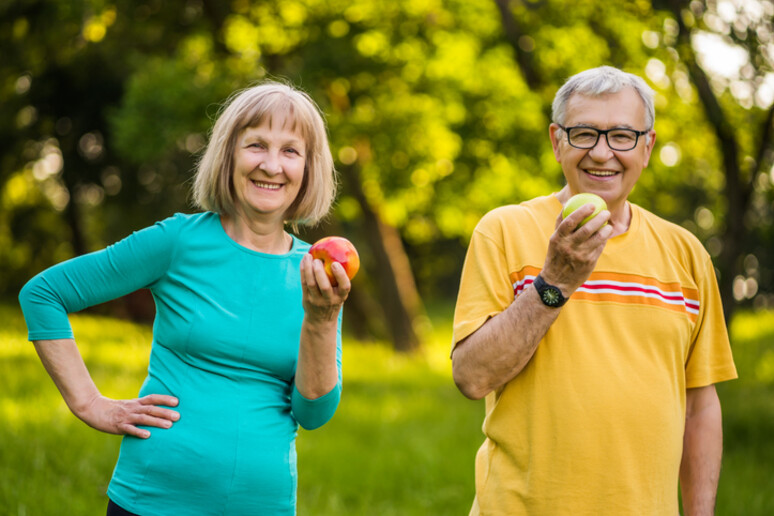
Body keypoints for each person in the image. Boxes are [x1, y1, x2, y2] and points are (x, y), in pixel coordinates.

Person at [19, 81, 349, 515]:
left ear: (309, 168)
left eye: (291, 151)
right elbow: (44, 294)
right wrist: (89, 403)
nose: (271, 165)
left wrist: (322, 320)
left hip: (262, 505)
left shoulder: (317, 275)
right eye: (256, 145)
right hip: (152, 500)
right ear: (229, 154)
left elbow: (313, 413)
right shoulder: (178, 242)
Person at [451, 66, 737, 515]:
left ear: (647, 147)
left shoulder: (687, 254)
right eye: (584, 133)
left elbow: (700, 406)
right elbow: (471, 375)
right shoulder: (504, 231)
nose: (602, 153)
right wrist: (555, 282)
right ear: (556, 141)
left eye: (622, 135)